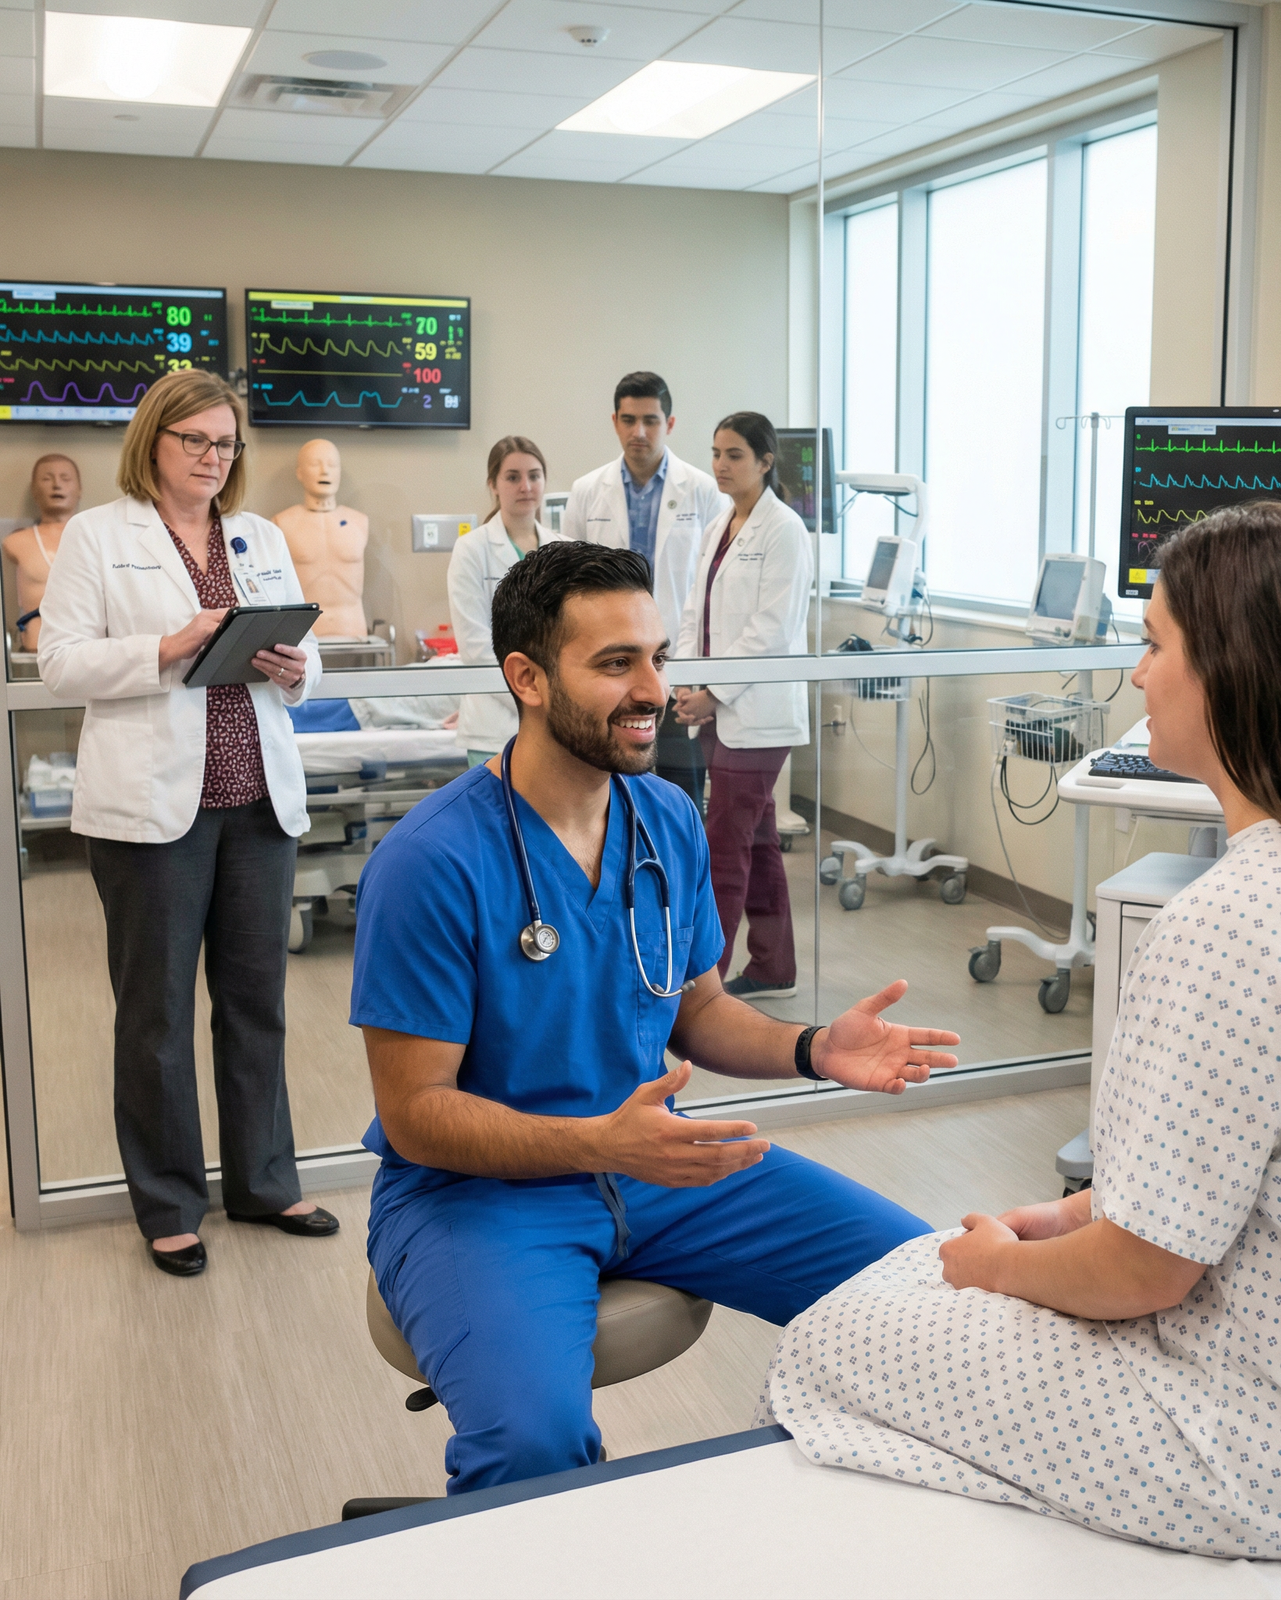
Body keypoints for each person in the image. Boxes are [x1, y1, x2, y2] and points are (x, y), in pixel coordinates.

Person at [761, 502, 1281, 1559]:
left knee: (842, 1327)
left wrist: (1001, 1270)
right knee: (936, 1261)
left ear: (1236, 673)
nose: (1134, 675)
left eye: (1155, 643)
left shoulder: (1234, 921)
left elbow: (1143, 1277)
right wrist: (1078, 1214)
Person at [351, 540, 959, 1495]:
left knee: (934, 1291)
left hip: (656, 1164)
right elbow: (418, 1112)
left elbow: (699, 1009)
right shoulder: (432, 861)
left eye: (658, 656)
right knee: (534, 1447)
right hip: (475, 1194)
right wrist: (601, 1142)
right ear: (528, 679)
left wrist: (811, 1048)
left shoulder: (664, 816)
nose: (653, 689)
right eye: (614, 663)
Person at [37, 368, 339, 1278]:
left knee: (255, 1005)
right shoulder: (99, 535)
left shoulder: (256, 536)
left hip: (257, 802)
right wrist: (164, 648)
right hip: (152, 813)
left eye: (226, 443)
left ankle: (265, 1180)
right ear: (154, 442)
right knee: (156, 1013)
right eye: (195, 441)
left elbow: (312, 660)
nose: (213, 457)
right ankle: (169, 1204)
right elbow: (59, 664)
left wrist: (293, 667)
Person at [673, 412, 811, 1002]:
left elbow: (771, 629)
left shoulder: (783, 529)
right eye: (716, 453)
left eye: (734, 454)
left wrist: (714, 693)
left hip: (757, 713)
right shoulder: (721, 523)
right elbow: (693, 613)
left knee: (724, 844)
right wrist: (682, 682)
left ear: (765, 460)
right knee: (755, 838)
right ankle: (774, 965)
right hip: (717, 707)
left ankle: (705, 986)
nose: (721, 465)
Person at [563, 372, 727, 805]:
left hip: (676, 663)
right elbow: (568, 583)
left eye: (651, 420)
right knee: (609, 786)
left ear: (669, 424)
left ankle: (673, 871)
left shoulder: (704, 492)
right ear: (615, 420)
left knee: (677, 792)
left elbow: (714, 588)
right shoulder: (585, 492)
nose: (639, 432)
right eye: (630, 419)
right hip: (608, 661)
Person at [447, 434, 568, 765]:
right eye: (512, 477)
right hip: (493, 726)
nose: (525, 486)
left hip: (555, 722)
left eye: (534, 475)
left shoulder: (565, 549)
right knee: (499, 817)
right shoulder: (472, 549)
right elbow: (476, 647)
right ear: (493, 485)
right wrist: (537, 697)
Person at [271, 438, 370, 639]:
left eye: (332, 465)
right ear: (300, 473)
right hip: (303, 636)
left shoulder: (359, 522)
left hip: (354, 630)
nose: (325, 471)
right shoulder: (281, 524)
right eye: (315, 464)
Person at [4, 453, 82, 649]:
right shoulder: (16, 542)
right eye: (47, 479)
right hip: (33, 651)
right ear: (34, 489)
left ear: (79, 488)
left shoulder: (97, 538)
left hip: (86, 651)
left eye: (65, 478)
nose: (57, 485)